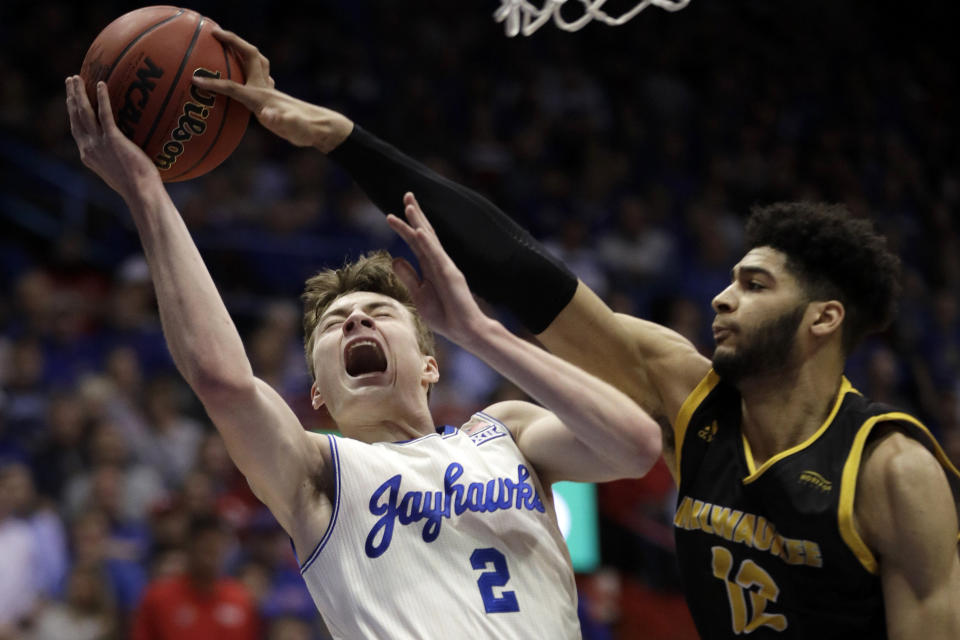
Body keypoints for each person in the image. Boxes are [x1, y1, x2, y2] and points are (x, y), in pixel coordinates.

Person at [192, 29, 960, 639]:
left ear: (823, 319)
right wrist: (344, 142)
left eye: (755, 287)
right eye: (730, 277)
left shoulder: (893, 471)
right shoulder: (684, 392)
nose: (721, 298)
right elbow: (528, 274)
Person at [64, 63, 662, 638]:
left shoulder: (504, 432)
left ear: (431, 364)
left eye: (377, 312)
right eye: (333, 325)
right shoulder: (317, 474)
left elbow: (635, 446)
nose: (353, 319)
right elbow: (224, 380)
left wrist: (483, 333)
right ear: (317, 391)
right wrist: (146, 191)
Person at [131, 515, 259, 640]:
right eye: (205, 545)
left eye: (216, 546)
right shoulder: (158, 597)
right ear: (189, 546)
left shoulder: (241, 600)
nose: (211, 552)